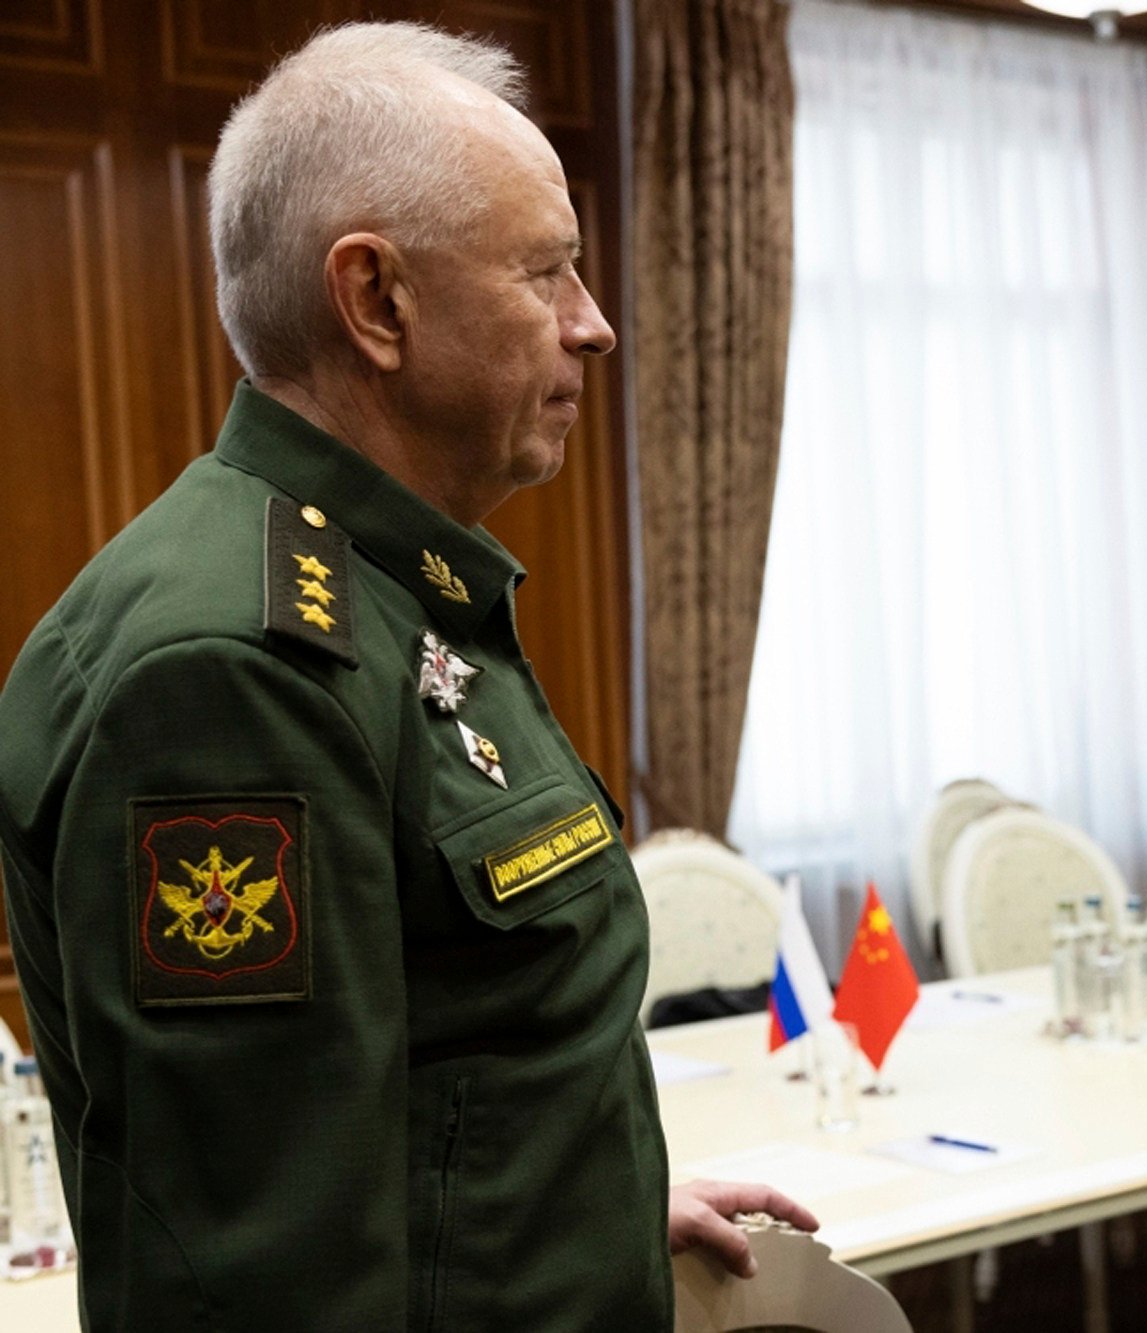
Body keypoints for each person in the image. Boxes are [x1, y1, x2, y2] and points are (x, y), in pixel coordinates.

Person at [0, 23, 813, 1329]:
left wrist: (585, 1199)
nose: (593, 327)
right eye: (546, 273)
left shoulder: (393, 589)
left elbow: (436, 1065)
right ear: (376, 302)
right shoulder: (235, 667)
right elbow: (270, 1278)